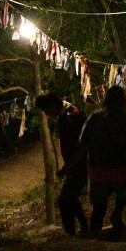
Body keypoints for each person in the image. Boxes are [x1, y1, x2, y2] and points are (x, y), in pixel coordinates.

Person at [67, 85, 126, 240]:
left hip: (97, 171)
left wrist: (67, 167)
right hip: (121, 171)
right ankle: (118, 210)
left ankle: (95, 234)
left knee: (99, 206)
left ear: (107, 100)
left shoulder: (94, 118)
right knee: (125, 189)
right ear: (125, 101)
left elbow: (82, 145)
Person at [35, 91, 89, 236]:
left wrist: (66, 167)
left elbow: (81, 146)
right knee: (70, 197)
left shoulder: (70, 117)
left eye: (46, 110)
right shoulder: (67, 112)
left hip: (81, 164)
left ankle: (72, 233)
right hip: (76, 164)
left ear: (52, 105)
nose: (46, 114)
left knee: (64, 200)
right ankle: (84, 228)